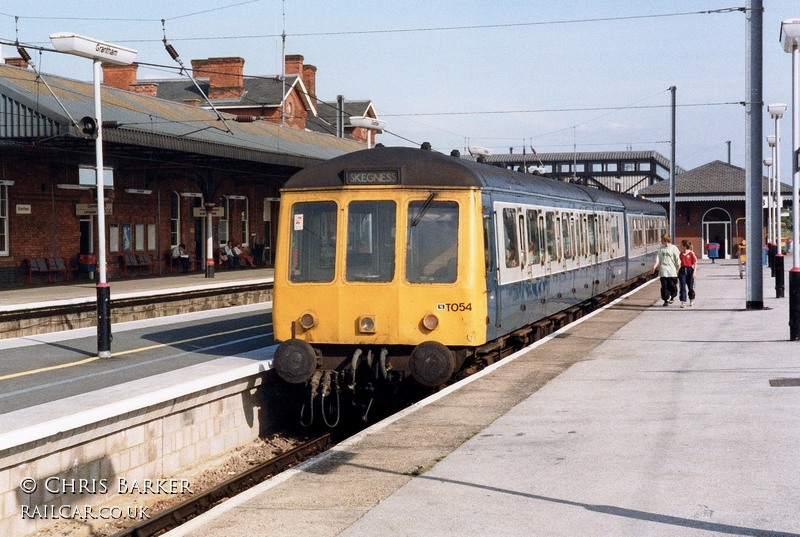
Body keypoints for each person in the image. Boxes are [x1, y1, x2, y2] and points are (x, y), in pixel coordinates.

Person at [653, 234, 681, 306]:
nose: (661, 241)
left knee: (672, 285)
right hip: (663, 270)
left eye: (662, 240)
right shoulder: (661, 248)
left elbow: (677, 258)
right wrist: (654, 266)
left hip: (672, 271)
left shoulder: (674, 248)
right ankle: (665, 299)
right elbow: (658, 258)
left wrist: (678, 267)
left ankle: (672, 296)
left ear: (665, 240)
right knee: (664, 286)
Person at [678, 239, 697, 308]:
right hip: (682, 270)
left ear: (685, 246)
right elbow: (679, 264)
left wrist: (694, 271)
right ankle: (683, 301)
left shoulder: (691, 253)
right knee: (682, 286)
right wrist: (677, 271)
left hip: (689, 270)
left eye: (681, 245)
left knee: (690, 286)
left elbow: (695, 262)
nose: (680, 246)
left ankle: (691, 299)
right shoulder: (680, 254)